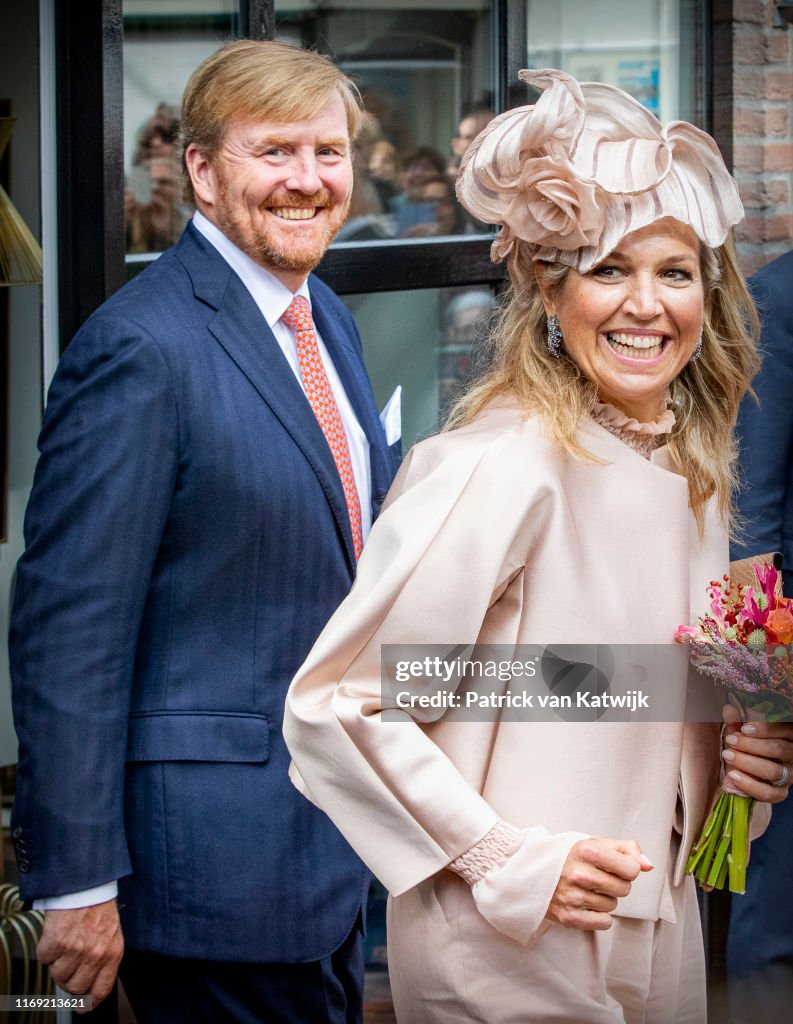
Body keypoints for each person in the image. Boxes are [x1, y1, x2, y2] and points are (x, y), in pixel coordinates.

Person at [284, 69, 793, 1023]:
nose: (646, 305)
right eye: (608, 270)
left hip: (660, 926)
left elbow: (588, 688)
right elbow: (348, 706)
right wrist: (504, 857)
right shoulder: (499, 467)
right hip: (511, 947)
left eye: (673, 272)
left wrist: (742, 760)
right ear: (548, 295)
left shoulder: (691, 475)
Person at [10, 39, 399, 1022]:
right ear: (200, 171)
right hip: (210, 872)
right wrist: (77, 881)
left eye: (329, 152)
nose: (308, 181)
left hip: (331, 853)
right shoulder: (141, 348)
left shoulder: (325, 321)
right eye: (275, 153)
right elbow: (71, 631)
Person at [727, 247, 793, 1022]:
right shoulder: (776, 298)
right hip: (787, 678)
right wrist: (761, 698)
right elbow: (749, 526)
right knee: (777, 922)